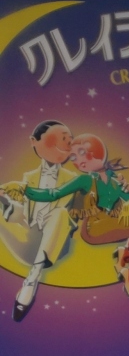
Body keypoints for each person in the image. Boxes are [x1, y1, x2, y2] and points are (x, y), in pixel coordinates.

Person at [0, 119, 80, 321]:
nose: (66, 143)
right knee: (12, 204)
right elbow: (27, 209)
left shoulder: (73, 179)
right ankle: (7, 208)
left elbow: (84, 209)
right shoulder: (29, 177)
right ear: (34, 142)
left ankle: (32, 280)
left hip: (56, 245)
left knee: (60, 213)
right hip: (30, 235)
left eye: (69, 139)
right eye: (60, 138)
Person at [67, 134, 129, 298]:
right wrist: (26, 191)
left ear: (98, 151)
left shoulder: (114, 179)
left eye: (82, 152)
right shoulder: (85, 180)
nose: (78, 161)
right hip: (94, 227)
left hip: (111, 221)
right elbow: (55, 193)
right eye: (73, 157)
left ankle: (125, 261)